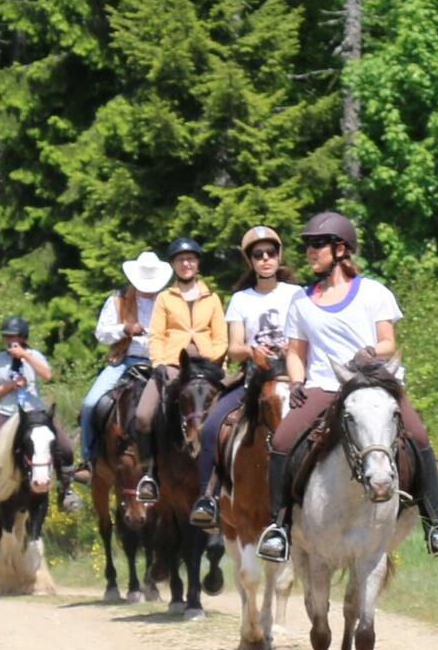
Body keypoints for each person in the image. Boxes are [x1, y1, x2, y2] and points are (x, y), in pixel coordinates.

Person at [254, 212, 438, 563]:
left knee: (419, 437)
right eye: (307, 245)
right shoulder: (301, 301)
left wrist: (370, 352)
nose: (310, 251)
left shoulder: (373, 292)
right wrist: (298, 381)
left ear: (340, 249)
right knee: (284, 440)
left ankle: (434, 523)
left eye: (317, 244)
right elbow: (296, 353)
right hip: (324, 386)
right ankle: (279, 527)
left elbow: (387, 343)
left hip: (371, 383)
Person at [193, 225, 292, 530]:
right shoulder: (240, 300)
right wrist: (252, 351)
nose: (265, 259)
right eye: (258, 254)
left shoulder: (297, 294)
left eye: (270, 253)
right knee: (211, 427)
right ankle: (207, 497)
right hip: (254, 380)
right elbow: (233, 348)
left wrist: (293, 346)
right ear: (250, 261)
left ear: (279, 256)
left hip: (293, 377)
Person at [77, 251, 173, 484]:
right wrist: (125, 328)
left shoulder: (169, 301)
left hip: (159, 361)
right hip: (125, 360)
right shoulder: (118, 300)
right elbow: (101, 333)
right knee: (91, 403)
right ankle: (88, 458)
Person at [0, 316, 59, 500]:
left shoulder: (35, 355)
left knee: (64, 447)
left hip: (34, 412)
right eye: (6, 337)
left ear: (23, 338)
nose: (9, 341)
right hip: (7, 412)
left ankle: (66, 490)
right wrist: (10, 386)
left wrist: (26, 356)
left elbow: (47, 375)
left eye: (14, 337)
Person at [147, 237, 227, 371]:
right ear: (173, 264)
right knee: (150, 392)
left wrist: (216, 361)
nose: (186, 264)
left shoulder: (212, 298)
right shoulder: (164, 298)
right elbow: (156, 336)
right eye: (180, 260)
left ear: (197, 262)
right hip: (172, 363)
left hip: (207, 363)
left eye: (190, 259)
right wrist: (159, 363)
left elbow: (220, 337)